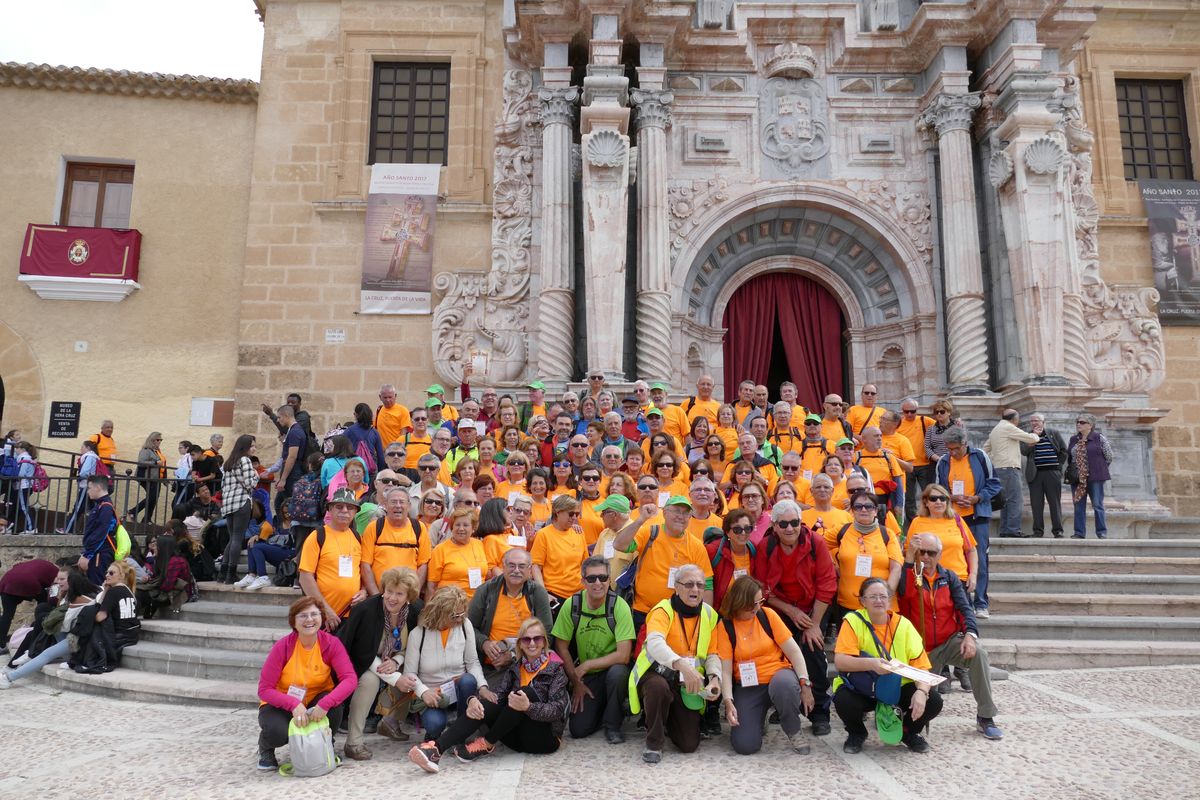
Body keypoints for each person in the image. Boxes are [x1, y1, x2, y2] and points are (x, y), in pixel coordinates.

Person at [409, 615, 569, 771]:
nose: (532, 643)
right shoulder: (515, 668)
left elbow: (557, 711)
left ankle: (487, 743)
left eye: (537, 639)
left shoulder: (555, 669)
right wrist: (474, 700)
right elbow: (498, 699)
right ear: (520, 644)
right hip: (516, 739)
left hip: (544, 740)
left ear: (544, 642)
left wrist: (529, 707)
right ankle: (436, 750)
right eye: (527, 639)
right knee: (489, 702)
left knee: (523, 693)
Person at [897, 534, 1002, 740]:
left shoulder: (949, 577)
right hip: (921, 649)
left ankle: (985, 716)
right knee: (925, 701)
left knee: (979, 654)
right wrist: (909, 560)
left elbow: (964, 608)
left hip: (948, 640)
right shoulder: (912, 574)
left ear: (940, 554)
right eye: (922, 552)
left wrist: (970, 635)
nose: (926, 557)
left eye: (931, 553)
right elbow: (904, 593)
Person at [750, 499, 837, 735]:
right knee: (781, 655)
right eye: (784, 524)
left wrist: (814, 624)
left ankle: (820, 712)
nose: (790, 528)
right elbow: (763, 587)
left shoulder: (816, 543)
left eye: (795, 523)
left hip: (813, 608)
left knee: (813, 650)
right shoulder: (766, 547)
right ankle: (787, 703)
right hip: (781, 608)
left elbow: (827, 584)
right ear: (775, 526)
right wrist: (791, 611)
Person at [831, 578, 942, 754]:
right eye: (872, 596)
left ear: (890, 599)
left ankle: (909, 733)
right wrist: (872, 664)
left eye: (883, 596)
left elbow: (922, 668)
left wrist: (922, 692)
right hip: (865, 687)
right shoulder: (853, 621)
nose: (878, 600)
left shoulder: (904, 625)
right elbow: (840, 661)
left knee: (934, 701)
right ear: (862, 601)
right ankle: (856, 733)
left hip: (898, 688)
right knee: (843, 699)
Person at [627, 563, 721, 764]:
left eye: (699, 585)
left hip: (685, 682)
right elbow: (655, 643)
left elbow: (713, 653)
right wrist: (682, 665)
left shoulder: (710, 614)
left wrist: (714, 679)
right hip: (657, 673)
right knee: (657, 687)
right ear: (676, 587)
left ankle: (666, 717)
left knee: (689, 745)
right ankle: (654, 743)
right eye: (688, 584)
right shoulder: (662, 610)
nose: (695, 590)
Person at [716, 575, 815, 755]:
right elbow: (725, 670)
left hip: (778, 676)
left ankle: (793, 729)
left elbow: (794, 652)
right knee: (745, 746)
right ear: (739, 602)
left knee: (784, 686)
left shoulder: (767, 615)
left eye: (759, 601)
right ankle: (759, 718)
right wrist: (728, 702)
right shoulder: (725, 626)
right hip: (748, 686)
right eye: (752, 604)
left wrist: (805, 682)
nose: (757, 607)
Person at [256, 596, 358, 770]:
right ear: (293, 621)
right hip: (282, 704)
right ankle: (266, 747)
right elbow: (264, 689)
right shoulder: (283, 647)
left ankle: (327, 744)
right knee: (277, 732)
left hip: (316, 702)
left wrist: (325, 704)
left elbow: (350, 679)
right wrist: (293, 704)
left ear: (321, 617)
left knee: (335, 705)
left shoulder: (331, 643)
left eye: (314, 614)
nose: (309, 619)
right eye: (303, 616)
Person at [337, 566, 423, 759]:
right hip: (363, 662)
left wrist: (397, 660)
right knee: (370, 681)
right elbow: (360, 652)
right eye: (389, 591)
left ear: (409, 596)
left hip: (393, 659)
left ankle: (390, 722)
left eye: (399, 593)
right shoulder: (366, 610)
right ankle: (354, 742)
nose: (392, 598)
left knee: (410, 674)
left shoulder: (416, 610)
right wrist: (393, 677)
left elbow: (414, 646)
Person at [551, 556, 635, 743]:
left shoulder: (619, 606)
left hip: (612, 669)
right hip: (587, 677)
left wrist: (587, 665)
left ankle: (612, 725)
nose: (598, 583)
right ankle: (606, 708)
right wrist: (576, 681)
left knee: (618, 674)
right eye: (591, 578)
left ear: (609, 580)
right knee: (578, 730)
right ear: (583, 581)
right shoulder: (572, 604)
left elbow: (623, 655)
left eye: (603, 578)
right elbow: (561, 646)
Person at [611, 496, 714, 630]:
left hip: (677, 614)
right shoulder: (650, 532)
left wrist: (705, 619)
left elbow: (707, 584)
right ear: (665, 513)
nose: (680, 516)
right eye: (676, 511)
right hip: (643, 612)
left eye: (685, 513)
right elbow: (619, 545)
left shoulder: (696, 546)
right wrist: (641, 519)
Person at [403, 586, 487, 742]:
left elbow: (472, 662)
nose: (460, 619)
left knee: (469, 679)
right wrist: (423, 692)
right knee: (434, 724)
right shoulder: (417, 634)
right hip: (434, 694)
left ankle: (462, 731)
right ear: (439, 613)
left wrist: (483, 686)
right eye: (455, 616)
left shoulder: (464, 625)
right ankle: (434, 734)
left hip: (460, 689)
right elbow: (409, 674)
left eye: (462, 614)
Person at [935, 427, 1001, 617]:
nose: (953, 453)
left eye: (956, 449)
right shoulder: (943, 461)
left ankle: (980, 602)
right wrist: (951, 498)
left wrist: (977, 498)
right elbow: (937, 489)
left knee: (979, 558)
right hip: (952, 518)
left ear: (965, 444)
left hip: (976, 515)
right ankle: (960, 601)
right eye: (949, 449)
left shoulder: (980, 457)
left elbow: (994, 483)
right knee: (955, 559)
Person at [0, 571, 97, 689]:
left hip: (77, 642)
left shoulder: (80, 601)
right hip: (74, 637)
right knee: (47, 626)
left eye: (63, 580)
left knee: (46, 652)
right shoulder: (88, 596)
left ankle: (9, 677)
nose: (59, 582)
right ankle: (32, 653)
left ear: (72, 585)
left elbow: (69, 626)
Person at [469, 547, 553, 671]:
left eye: (522, 566)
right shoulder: (486, 590)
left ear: (529, 570)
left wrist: (514, 655)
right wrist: (484, 643)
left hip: (528, 661)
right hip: (492, 663)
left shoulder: (537, 593)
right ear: (503, 567)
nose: (516, 570)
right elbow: (469, 627)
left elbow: (547, 634)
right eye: (511, 565)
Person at [298, 488, 366, 630]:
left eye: (350, 507)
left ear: (355, 512)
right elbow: (305, 578)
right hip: (322, 616)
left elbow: (363, 572)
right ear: (330, 509)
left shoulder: (357, 537)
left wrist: (364, 590)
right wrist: (325, 610)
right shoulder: (317, 536)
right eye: (339, 506)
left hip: (351, 615)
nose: (345, 510)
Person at [830, 491, 903, 616]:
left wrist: (885, 598)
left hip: (880, 606)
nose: (863, 510)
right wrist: (832, 566)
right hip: (848, 605)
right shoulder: (842, 531)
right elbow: (816, 544)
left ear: (875, 511)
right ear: (852, 511)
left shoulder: (887, 534)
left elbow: (896, 568)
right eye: (858, 506)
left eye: (868, 506)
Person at [360, 488, 431, 594]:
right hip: (379, 594)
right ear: (385, 505)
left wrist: (412, 594)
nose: (398, 505)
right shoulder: (374, 527)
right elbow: (365, 564)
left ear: (409, 506)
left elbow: (423, 564)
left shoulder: (419, 528)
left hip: (408, 595)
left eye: (402, 502)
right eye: (393, 502)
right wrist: (376, 596)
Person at [984, 409, 1040, 538]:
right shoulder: (1009, 427)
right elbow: (1030, 438)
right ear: (1014, 419)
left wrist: (994, 458)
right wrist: (1036, 434)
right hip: (1009, 468)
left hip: (999, 468)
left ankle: (1005, 529)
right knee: (1015, 500)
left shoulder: (996, 429)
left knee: (1006, 500)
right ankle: (1013, 529)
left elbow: (985, 448)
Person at [530, 495, 589, 604]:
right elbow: (536, 566)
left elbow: (585, 564)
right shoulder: (543, 534)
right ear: (557, 512)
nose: (574, 518)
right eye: (571, 514)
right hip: (555, 595)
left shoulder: (578, 533)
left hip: (579, 594)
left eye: (576, 514)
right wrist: (543, 593)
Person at [217, 434, 259, 584]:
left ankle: (223, 573)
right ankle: (231, 574)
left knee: (232, 538)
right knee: (237, 538)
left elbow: (223, 485)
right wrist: (256, 476)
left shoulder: (229, 462)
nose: (254, 448)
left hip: (229, 503)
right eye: (252, 445)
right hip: (242, 502)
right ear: (245, 446)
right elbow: (250, 484)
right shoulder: (245, 460)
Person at [426, 505, 489, 599]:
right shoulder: (440, 549)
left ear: (473, 528)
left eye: (466, 525)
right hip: (450, 603)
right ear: (452, 527)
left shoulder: (480, 545)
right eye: (457, 525)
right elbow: (431, 587)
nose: (461, 528)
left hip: (478, 602)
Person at [1023, 413, 1069, 538]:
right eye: (1032, 421)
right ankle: (1038, 531)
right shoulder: (1027, 436)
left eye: (1037, 420)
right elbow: (1024, 451)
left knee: (1054, 503)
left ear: (1043, 422)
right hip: (1035, 474)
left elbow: (1064, 450)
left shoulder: (1053, 433)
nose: (1034, 423)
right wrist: (1034, 438)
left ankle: (1058, 531)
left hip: (1052, 473)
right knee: (1036, 504)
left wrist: (1058, 466)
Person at [1068, 413, 1113, 540]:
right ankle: (1079, 532)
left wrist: (1098, 468)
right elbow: (1070, 458)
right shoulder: (1073, 439)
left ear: (1090, 425)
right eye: (1077, 422)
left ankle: (1101, 532)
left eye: (1082, 422)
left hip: (1095, 477)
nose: (1078, 424)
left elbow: (1109, 456)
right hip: (1078, 479)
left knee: (1097, 505)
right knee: (1078, 505)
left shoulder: (1099, 438)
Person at [0, 558, 58, 650]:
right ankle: (37, 637)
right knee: (44, 607)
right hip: (29, 582)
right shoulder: (57, 572)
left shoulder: (36, 563)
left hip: (6, 581)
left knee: (7, 615)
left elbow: (16, 566)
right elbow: (55, 592)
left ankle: (0, 645)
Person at [706, 510, 757, 608]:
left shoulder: (755, 550)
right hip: (722, 612)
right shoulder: (713, 551)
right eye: (737, 529)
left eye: (747, 528)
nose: (743, 533)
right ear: (727, 532)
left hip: (749, 609)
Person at [898, 399, 937, 523]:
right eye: (906, 411)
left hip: (924, 464)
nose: (909, 414)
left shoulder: (925, 421)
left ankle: (929, 518)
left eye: (912, 411)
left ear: (917, 410)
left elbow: (942, 425)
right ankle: (913, 522)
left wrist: (956, 423)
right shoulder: (898, 423)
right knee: (909, 497)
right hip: (907, 465)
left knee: (929, 494)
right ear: (902, 411)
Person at [138, 534, 194, 617]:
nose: (154, 547)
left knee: (140, 594)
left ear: (163, 548)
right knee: (139, 589)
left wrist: (151, 585)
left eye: (157, 545)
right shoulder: (163, 559)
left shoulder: (176, 561)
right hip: (166, 591)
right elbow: (159, 578)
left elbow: (167, 585)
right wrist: (150, 580)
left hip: (176, 594)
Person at [76, 475, 117, 585]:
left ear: (98, 487)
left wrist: (87, 555)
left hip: (100, 552)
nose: (88, 491)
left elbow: (101, 533)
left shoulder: (105, 507)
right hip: (97, 552)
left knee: (97, 585)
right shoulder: (101, 505)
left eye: (89, 488)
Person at [274, 403, 309, 518]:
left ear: (286, 415)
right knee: (279, 503)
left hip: (293, 473)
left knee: (287, 504)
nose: (278, 420)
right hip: (292, 472)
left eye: (279, 417)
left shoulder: (295, 432)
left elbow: (292, 457)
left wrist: (283, 479)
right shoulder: (294, 431)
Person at [128, 432, 166, 524]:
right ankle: (133, 512)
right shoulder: (146, 450)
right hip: (147, 477)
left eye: (161, 440)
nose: (159, 441)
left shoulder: (156, 451)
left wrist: (164, 478)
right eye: (158, 439)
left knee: (154, 498)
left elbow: (163, 465)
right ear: (152, 440)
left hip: (157, 478)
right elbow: (141, 462)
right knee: (152, 497)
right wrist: (155, 463)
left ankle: (147, 519)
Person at [374, 384, 413, 453]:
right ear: (380, 397)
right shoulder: (379, 410)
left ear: (395, 396)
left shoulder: (402, 411)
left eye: (390, 397)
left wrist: (397, 451)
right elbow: (375, 430)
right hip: (381, 453)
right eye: (385, 397)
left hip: (395, 452)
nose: (388, 400)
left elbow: (403, 435)